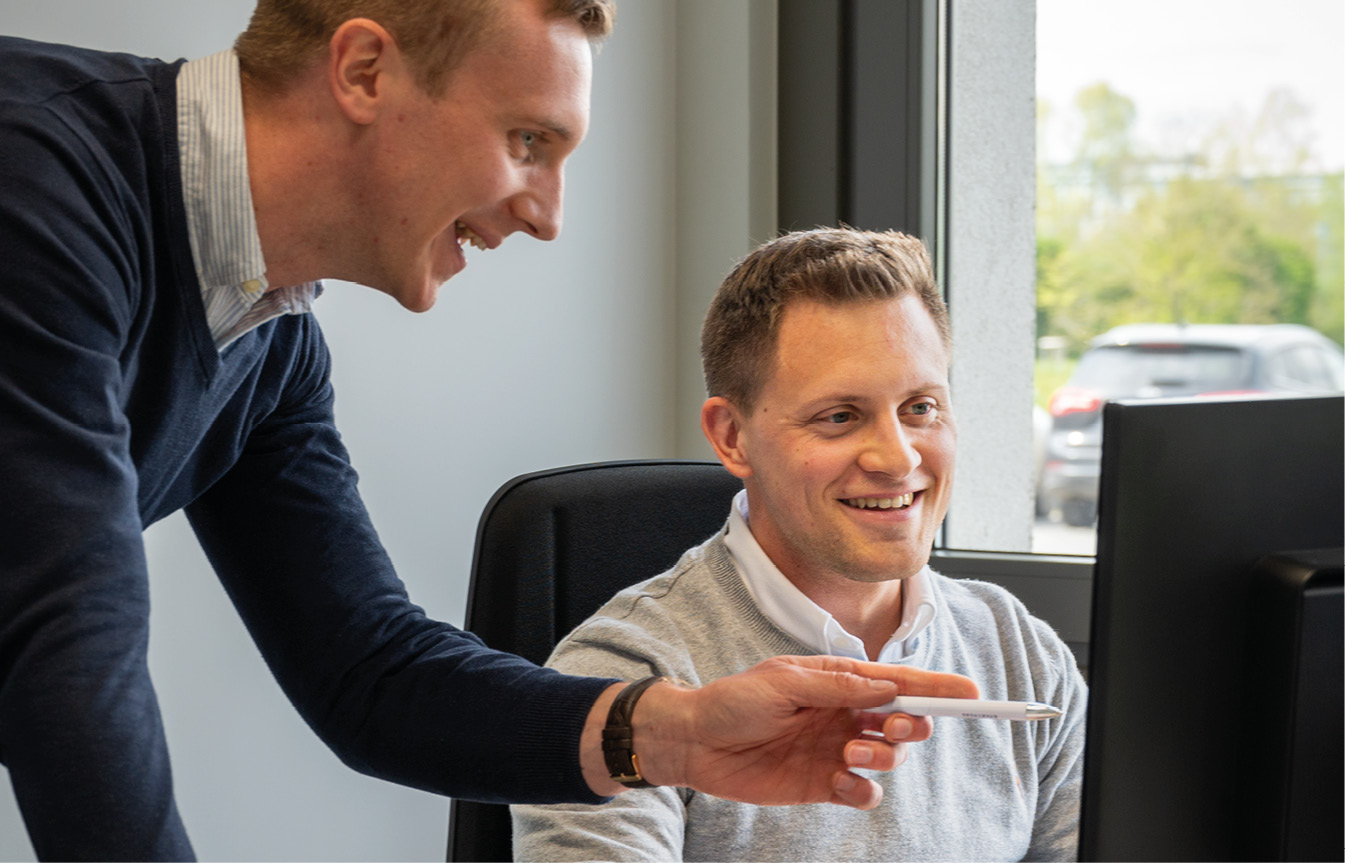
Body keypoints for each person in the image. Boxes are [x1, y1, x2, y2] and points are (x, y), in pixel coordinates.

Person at [0, 4, 977, 859]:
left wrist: (675, 732)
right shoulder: (37, 183)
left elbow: (367, 671)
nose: (548, 215)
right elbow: (68, 648)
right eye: (527, 141)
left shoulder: (268, 342)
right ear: (364, 71)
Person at [512, 228, 1089, 862]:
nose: (898, 458)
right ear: (732, 437)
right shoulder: (629, 683)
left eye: (921, 407)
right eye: (839, 416)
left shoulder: (1017, 649)